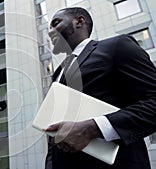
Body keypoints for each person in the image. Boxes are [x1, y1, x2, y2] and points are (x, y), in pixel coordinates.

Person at [45, 7, 156, 169]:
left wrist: (94, 128)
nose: (51, 32)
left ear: (79, 21)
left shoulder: (117, 46)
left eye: (56, 23)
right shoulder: (59, 72)